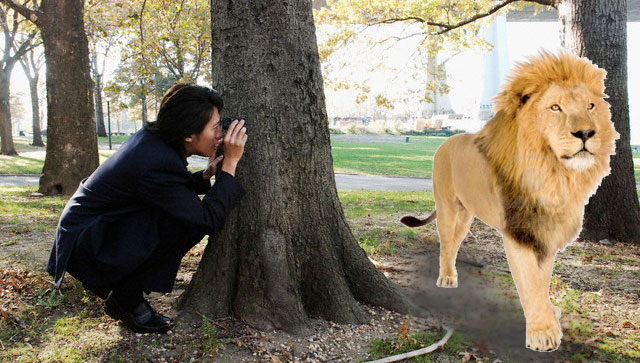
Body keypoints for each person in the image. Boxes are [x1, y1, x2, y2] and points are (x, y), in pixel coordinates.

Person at [46, 83, 247, 333]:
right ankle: (126, 296)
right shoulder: (155, 159)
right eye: (215, 127)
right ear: (187, 134)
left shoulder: (156, 142)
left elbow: (167, 189)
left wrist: (205, 176)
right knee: (185, 222)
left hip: (96, 226)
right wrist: (230, 164)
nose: (221, 134)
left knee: (181, 216)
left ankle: (124, 291)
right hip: (88, 243)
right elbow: (206, 220)